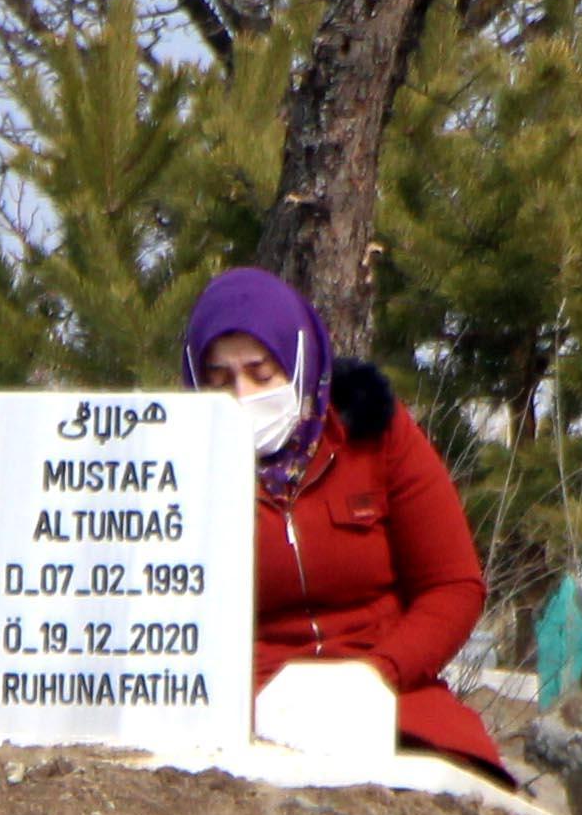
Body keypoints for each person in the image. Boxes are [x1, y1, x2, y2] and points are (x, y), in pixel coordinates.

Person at [182, 266, 515, 784]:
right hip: (243, 712)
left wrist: (377, 673)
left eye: (261, 374)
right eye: (221, 380)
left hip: (393, 697)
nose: (243, 395)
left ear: (298, 363)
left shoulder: (376, 433)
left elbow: (453, 585)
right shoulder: (180, 468)